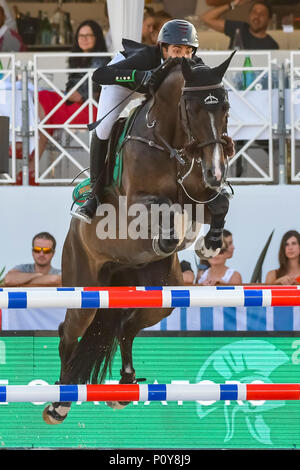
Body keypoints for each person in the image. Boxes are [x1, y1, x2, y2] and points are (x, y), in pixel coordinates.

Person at [73, 18, 235, 223]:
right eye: (177, 50)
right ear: (164, 48)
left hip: (155, 93)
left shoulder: (193, 65)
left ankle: (203, 182)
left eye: (188, 51)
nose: (183, 56)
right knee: (104, 128)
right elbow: (100, 75)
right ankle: (94, 196)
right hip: (124, 83)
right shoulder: (145, 57)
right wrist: (139, 76)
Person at [26, 20, 109, 185]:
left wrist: (62, 93)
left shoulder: (100, 59)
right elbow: (72, 93)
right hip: (74, 107)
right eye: (80, 35)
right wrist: (65, 94)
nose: (84, 39)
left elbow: (80, 95)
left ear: (97, 37)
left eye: (88, 35)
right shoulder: (77, 59)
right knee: (43, 115)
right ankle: (31, 170)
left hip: (90, 109)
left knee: (42, 99)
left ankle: (29, 170)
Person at [200, 0, 279, 50]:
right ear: (249, 15)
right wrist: (233, 4)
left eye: (262, 14)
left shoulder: (272, 45)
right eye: (254, 12)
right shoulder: (238, 27)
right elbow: (206, 18)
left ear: (269, 20)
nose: (257, 17)